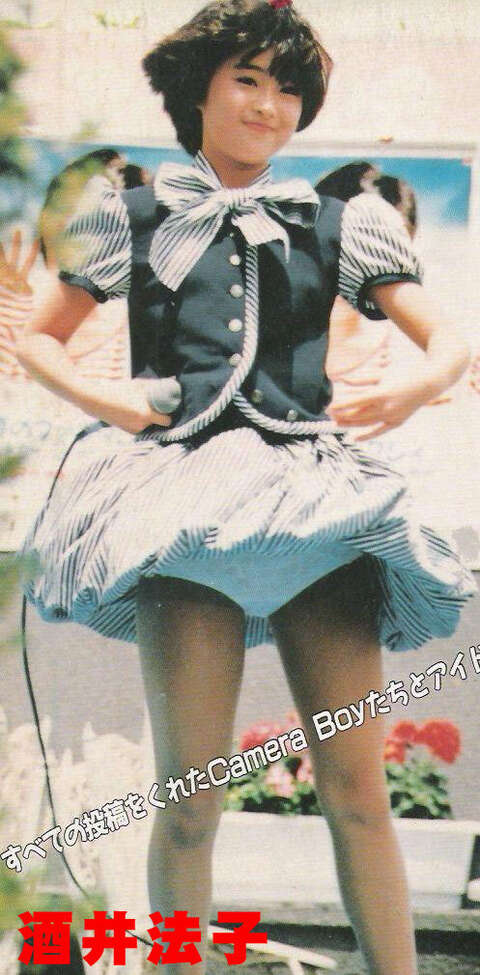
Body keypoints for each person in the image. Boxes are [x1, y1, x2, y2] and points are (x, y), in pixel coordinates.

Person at [17, 2, 475, 974]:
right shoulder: (130, 214)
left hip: (316, 509)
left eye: (289, 88)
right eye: (249, 79)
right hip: (181, 509)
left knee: (359, 792)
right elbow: (38, 337)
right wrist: (110, 398)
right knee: (190, 799)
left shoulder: (343, 222)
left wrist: (419, 383)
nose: (270, 106)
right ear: (200, 88)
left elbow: (446, 337)